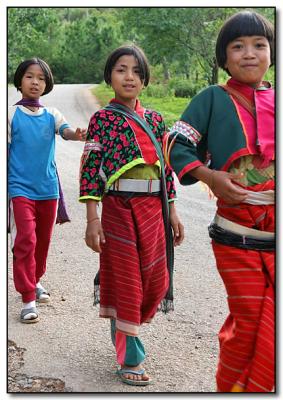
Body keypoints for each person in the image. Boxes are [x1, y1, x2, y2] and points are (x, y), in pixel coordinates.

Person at [164, 11, 274, 393]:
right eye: (237, 46)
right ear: (223, 58)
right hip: (235, 232)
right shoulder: (211, 98)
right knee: (248, 321)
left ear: (272, 54)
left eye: (259, 45)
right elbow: (174, 143)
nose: (249, 53)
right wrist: (210, 177)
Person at [79, 44, 184, 386]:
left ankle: (127, 332)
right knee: (127, 281)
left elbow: (166, 170)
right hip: (118, 210)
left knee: (154, 280)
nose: (130, 77)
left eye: (137, 71)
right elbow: (91, 169)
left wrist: (173, 212)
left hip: (154, 211)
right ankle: (130, 357)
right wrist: (92, 219)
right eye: (122, 69)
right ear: (109, 75)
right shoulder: (102, 119)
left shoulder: (155, 119)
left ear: (145, 80)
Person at [8, 57, 87, 324]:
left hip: (48, 189)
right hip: (19, 189)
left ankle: (35, 279)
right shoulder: (10, 114)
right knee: (25, 241)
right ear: (19, 80)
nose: (35, 82)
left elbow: (65, 132)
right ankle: (28, 297)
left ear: (47, 84)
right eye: (30, 76)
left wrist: (77, 134)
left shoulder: (51, 114)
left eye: (41, 78)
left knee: (42, 242)